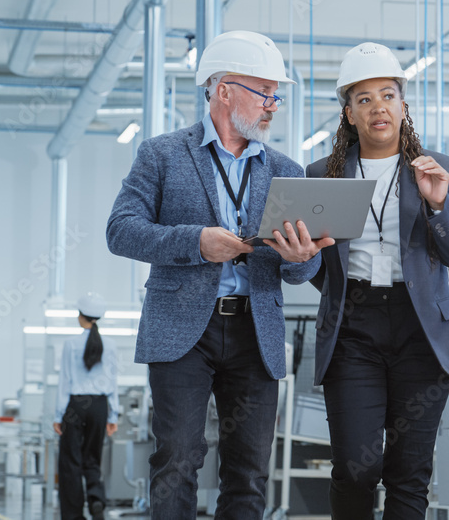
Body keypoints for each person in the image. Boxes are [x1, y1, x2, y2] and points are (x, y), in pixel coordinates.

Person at [106, 30, 333, 519]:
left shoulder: (285, 169)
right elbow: (121, 231)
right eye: (264, 92)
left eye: (277, 95)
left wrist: (301, 258)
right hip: (184, 329)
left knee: (249, 473)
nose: (274, 105)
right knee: (177, 460)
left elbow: (305, 270)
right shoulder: (162, 154)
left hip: (256, 331)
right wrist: (195, 242)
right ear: (223, 89)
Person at [306, 42, 449, 520]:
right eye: (364, 99)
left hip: (421, 330)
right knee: (356, 467)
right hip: (352, 330)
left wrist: (439, 204)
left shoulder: (437, 168)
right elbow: (316, 265)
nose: (378, 107)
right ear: (349, 114)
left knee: (409, 471)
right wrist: (339, 290)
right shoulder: (323, 175)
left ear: (403, 106)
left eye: (387, 95)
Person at [54, 292, 119, 520]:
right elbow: (112, 382)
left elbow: (65, 382)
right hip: (100, 405)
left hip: (76, 405)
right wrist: (113, 416)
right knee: (93, 457)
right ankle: (96, 502)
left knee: (70, 460)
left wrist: (59, 414)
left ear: (81, 316)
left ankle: (73, 515)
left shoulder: (70, 344)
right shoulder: (110, 345)